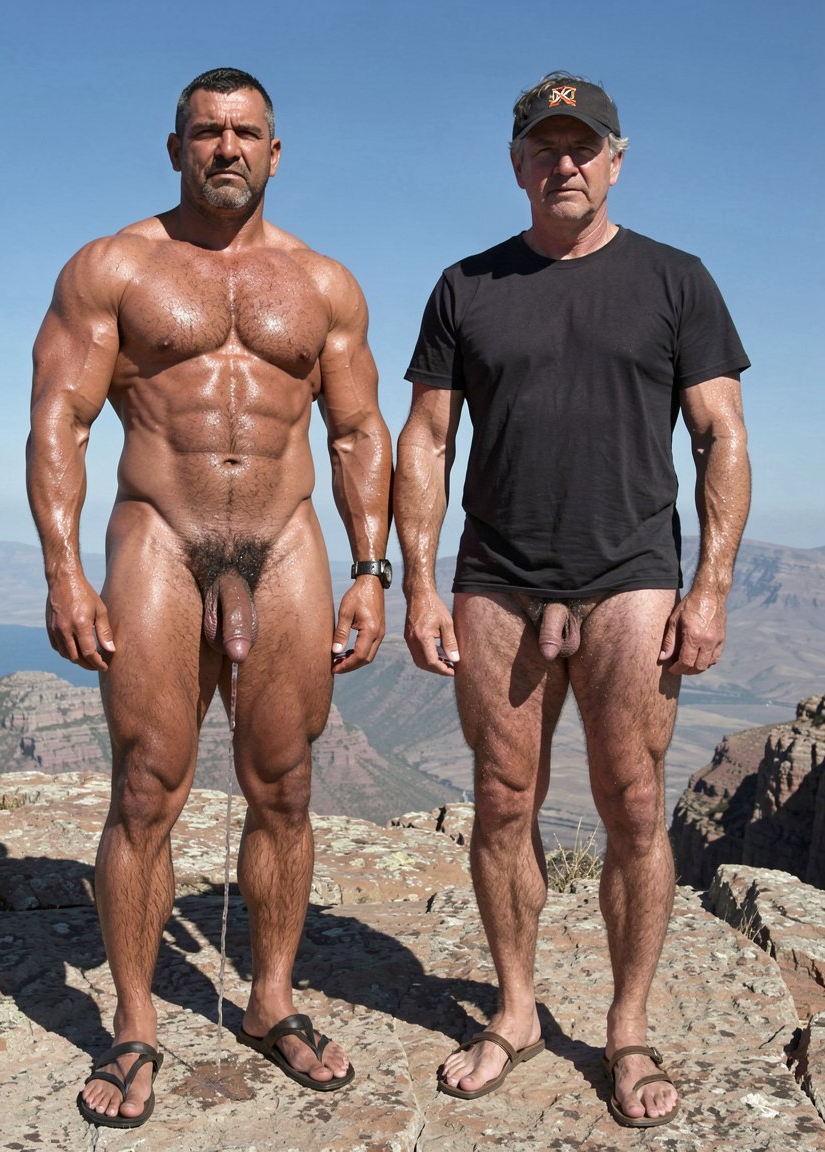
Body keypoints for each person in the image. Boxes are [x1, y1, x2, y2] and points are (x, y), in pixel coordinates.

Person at [27, 67, 392, 1128]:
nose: (225, 148)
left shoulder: (323, 283)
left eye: (246, 133)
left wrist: (371, 568)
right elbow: (61, 419)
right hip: (159, 535)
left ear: (276, 152)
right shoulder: (113, 267)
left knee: (283, 784)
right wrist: (62, 567)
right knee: (148, 786)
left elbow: (356, 431)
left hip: (284, 542)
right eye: (206, 132)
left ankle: (269, 1002)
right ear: (176, 146)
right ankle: (134, 1026)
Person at [394, 72, 750, 1127]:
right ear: (515, 163)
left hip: (630, 575)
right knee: (501, 800)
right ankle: (512, 1011)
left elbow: (718, 435)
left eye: (581, 146)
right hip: (494, 576)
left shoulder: (674, 281)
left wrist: (711, 585)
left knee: (632, 806)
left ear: (615, 157)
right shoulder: (466, 285)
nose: (563, 163)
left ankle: (626, 1029)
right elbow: (424, 438)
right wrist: (415, 578)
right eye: (543, 148)